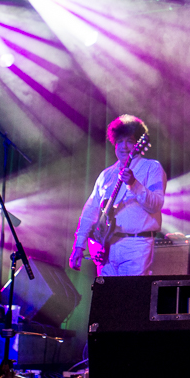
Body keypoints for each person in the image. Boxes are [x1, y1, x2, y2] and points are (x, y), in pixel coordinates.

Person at [69, 115, 164, 277]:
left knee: (132, 298)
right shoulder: (106, 175)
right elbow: (90, 211)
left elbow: (156, 204)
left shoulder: (151, 168)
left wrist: (134, 184)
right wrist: (79, 245)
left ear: (138, 144)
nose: (124, 146)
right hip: (106, 248)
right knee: (108, 299)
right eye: (120, 141)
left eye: (129, 141)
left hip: (136, 246)